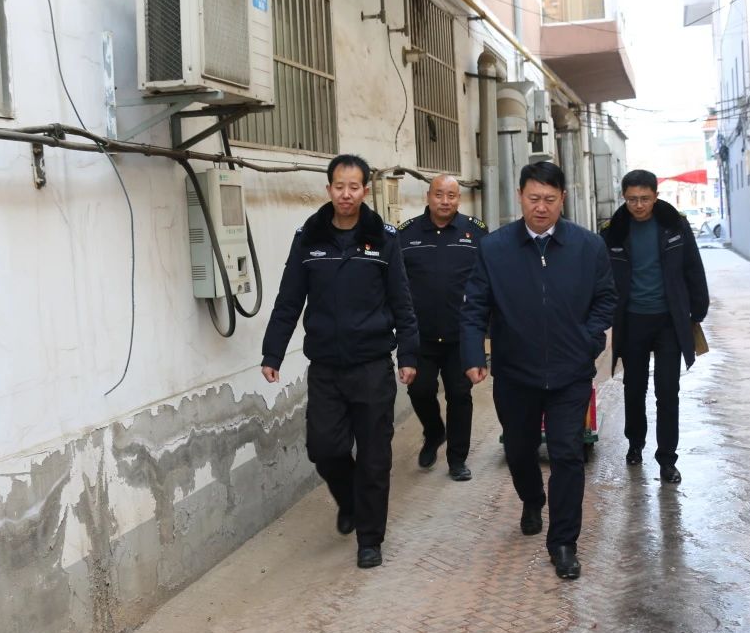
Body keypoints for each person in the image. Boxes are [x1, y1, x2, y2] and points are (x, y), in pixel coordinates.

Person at [261, 154, 419, 569]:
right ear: (328, 189)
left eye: (354, 187)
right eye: (339, 186)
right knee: (323, 448)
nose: (346, 194)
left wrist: (408, 354)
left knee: (374, 457)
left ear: (365, 190)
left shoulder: (384, 239)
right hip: (327, 368)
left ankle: (370, 539)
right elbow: (289, 299)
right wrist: (272, 351)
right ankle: (349, 499)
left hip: (372, 366)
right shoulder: (308, 237)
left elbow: (402, 302)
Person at [460, 161, 617, 580]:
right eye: (533, 198)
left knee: (567, 454)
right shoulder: (495, 248)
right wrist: (473, 355)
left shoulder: (587, 247)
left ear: (562, 199)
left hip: (570, 372)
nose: (541, 207)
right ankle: (532, 499)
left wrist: (588, 340)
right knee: (519, 449)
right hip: (516, 373)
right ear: (520, 197)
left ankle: (563, 543)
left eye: (549, 199)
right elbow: (475, 306)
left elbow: (606, 299)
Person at [599, 169, 710, 484]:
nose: (638, 205)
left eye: (645, 199)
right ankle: (635, 443)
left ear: (655, 196)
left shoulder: (675, 226)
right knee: (634, 389)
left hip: (668, 322)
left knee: (668, 391)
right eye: (632, 199)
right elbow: (601, 276)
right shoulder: (613, 231)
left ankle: (667, 459)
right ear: (624, 197)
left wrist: (698, 309)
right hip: (632, 321)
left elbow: (693, 267)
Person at [398, 174, 489, 481]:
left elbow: (487, 282)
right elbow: (396, 284)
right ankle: (435, 431)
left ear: (458, 199)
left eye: (451, 195)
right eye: (439, 194)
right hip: (420, 335)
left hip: (460, 335)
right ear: (428, 196)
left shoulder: (475, 232)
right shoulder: (406, 234)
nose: (445, 201)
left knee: (460, 396)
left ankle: (457, 460)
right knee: (420, 390)